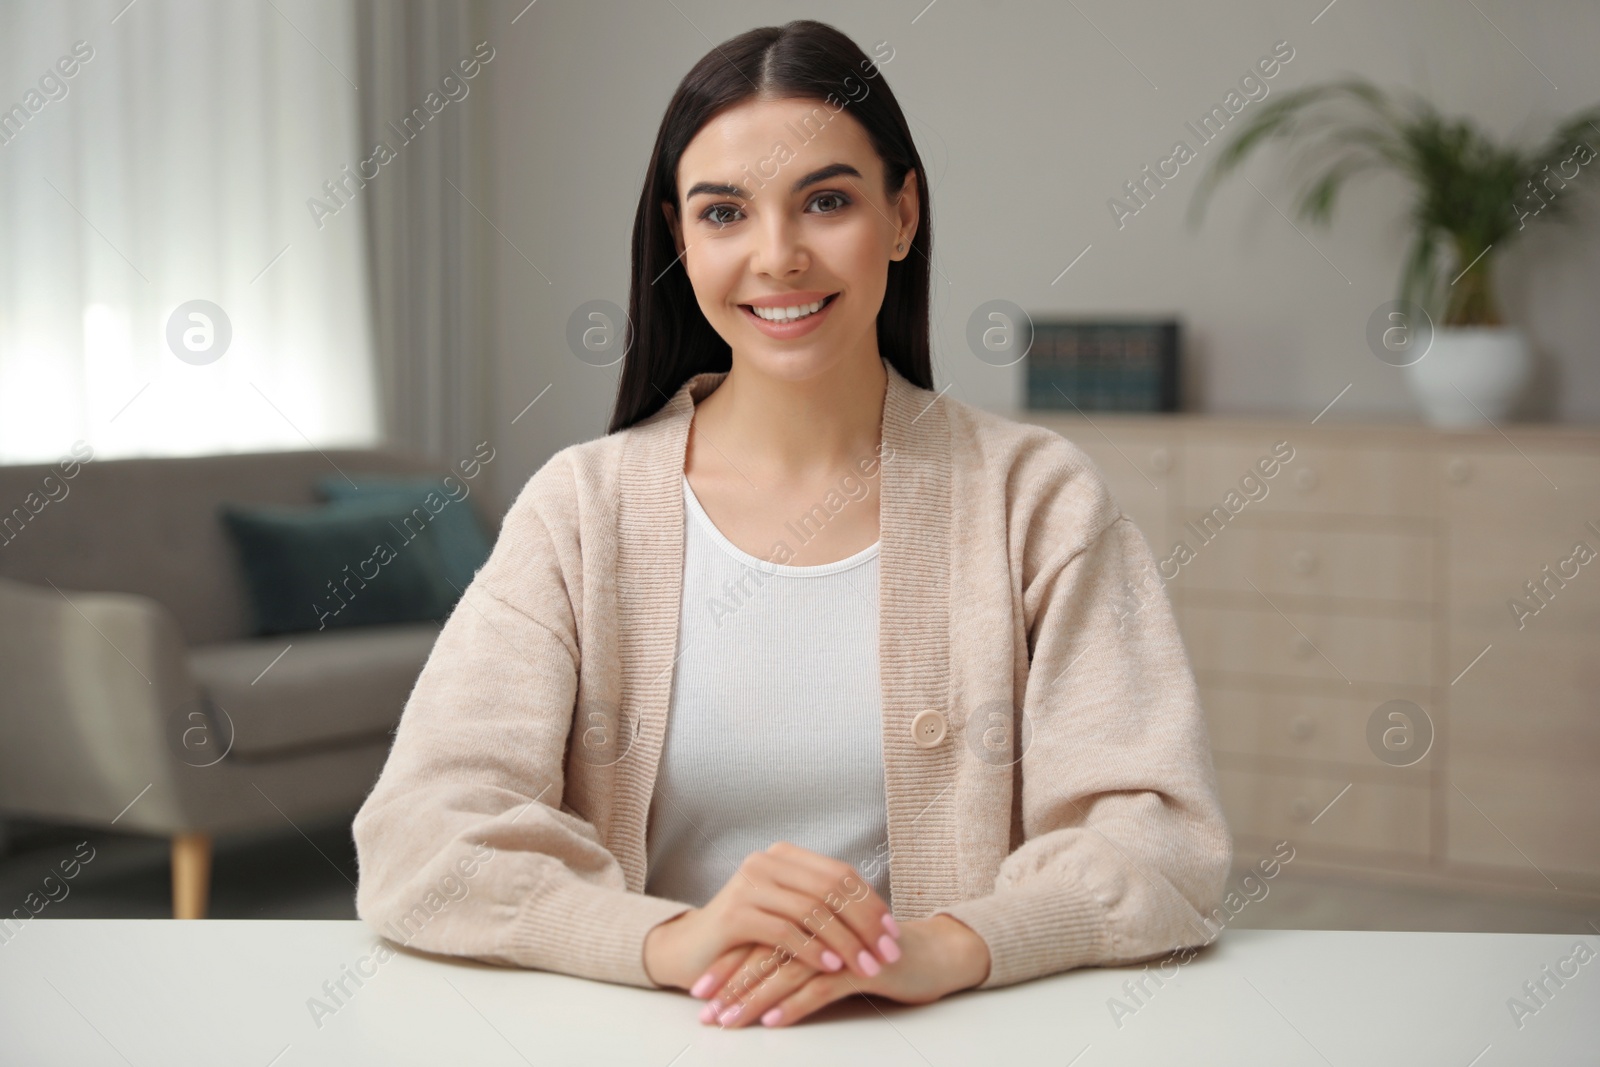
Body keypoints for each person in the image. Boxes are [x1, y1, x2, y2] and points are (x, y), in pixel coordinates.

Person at [352, 18, 1232, 1032]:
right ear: (680, 242)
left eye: (826, 200)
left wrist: (942, 944)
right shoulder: (580, 508)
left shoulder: (1036, 496)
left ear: (901, 215)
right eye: (724, 213)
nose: (778, 255)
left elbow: (1162, 844)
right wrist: (668, 940)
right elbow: (419, 840)